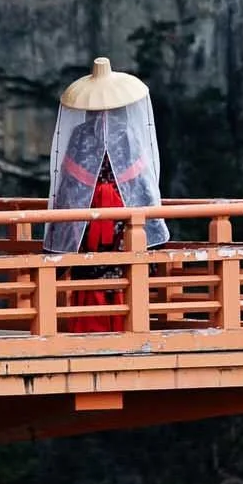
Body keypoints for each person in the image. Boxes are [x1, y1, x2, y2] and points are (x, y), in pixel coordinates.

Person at [46, 57, 168, 332]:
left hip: (88, 224)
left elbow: (68, 189)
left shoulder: (79, 136)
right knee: (121, 275)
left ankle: (91, 331)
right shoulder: (129, 136)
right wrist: (154, 227)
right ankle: (125, 331)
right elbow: (142, 188)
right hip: (123, 225)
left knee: (93, 276)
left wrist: (62, 230)